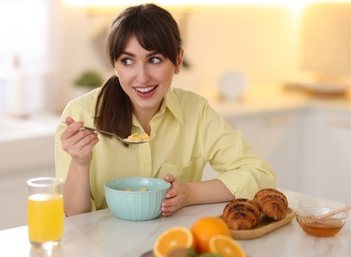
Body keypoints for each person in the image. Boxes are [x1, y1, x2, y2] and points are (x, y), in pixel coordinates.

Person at [55, 3, 276, 217]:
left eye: (154, 59)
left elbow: (261, 174)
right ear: (114, 65)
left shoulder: (195, 111)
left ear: (178, 60)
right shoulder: (81, 115)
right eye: (127, 61)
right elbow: (75, 218)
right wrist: (80, 163)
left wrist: (188, 194)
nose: (142, 77)